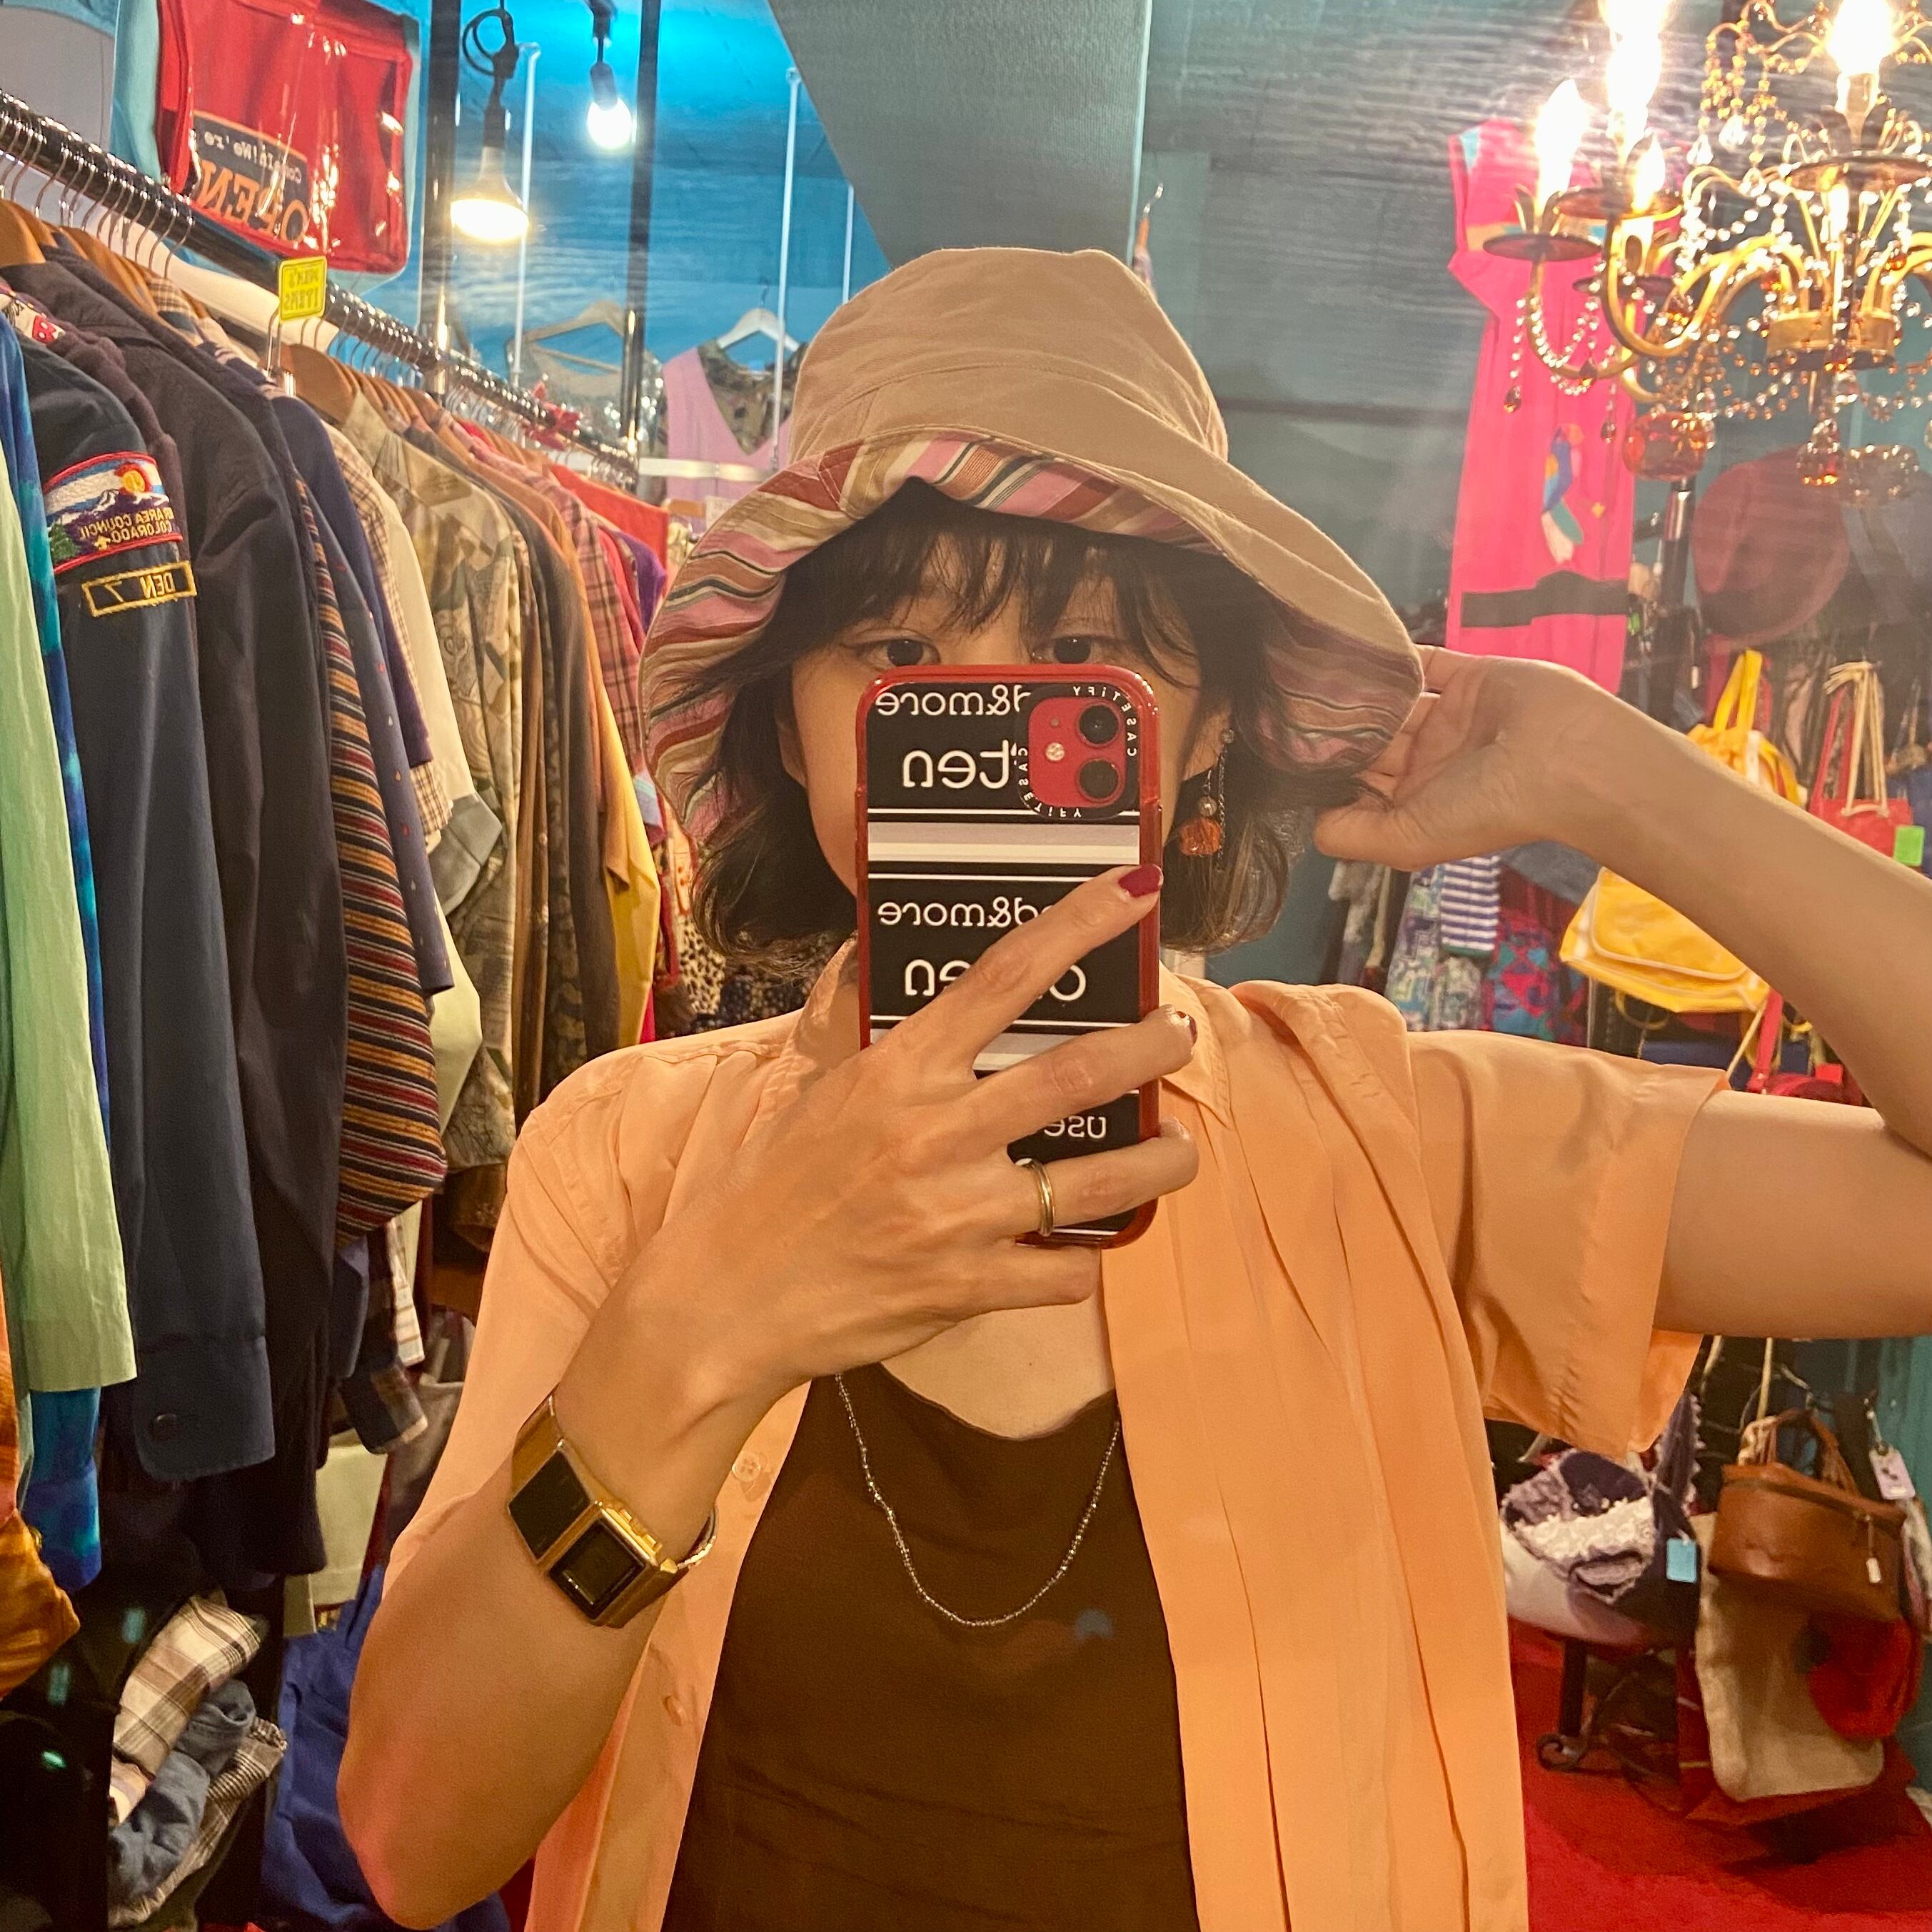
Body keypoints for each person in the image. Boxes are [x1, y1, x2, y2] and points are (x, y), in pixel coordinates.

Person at [340, 248, 1932, 1932]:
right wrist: (706, 1323)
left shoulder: (1398, 1139)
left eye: (1085, 653)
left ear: (1202, 736)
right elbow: (413, 1837)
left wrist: (1616, 777)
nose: (987, 715)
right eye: (898, 646)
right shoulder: (626, 1156)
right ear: (790, 729)